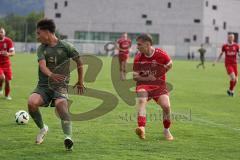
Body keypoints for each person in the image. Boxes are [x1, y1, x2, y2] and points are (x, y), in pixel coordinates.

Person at [27, 18, 85, 151]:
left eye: (38, 33)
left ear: (47, 32)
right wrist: (51, 74)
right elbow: (42, 66)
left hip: (60, 86)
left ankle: (68, 138)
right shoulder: (42, 48)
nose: (37, 36)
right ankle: (43, 129)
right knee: (31, 103)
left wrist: (80, 80)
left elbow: (80, 62)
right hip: (43, 86)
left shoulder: (66, 46)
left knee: (60, 105)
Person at [133, 34, 173, 140]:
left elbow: (170, 63)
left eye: (139, 44)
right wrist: (147, 77)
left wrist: (162, 72)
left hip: (159, 85)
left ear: (147, 44)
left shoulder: (161, 54)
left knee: (166, 107)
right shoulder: (138, 57)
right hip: (143, 84)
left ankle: (166, 130)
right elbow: (135, 76)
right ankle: (141, 128)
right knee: (142, 99)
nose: (137, 47)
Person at [0, 27, 15, 100]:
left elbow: (13, 53)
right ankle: (0, 88)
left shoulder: (8, 41)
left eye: (1, 32)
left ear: (4, 33)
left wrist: (8, 54)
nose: (0, 33)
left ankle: (7, 95)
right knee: (2, 77)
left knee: (8, 81)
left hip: (6, 64)